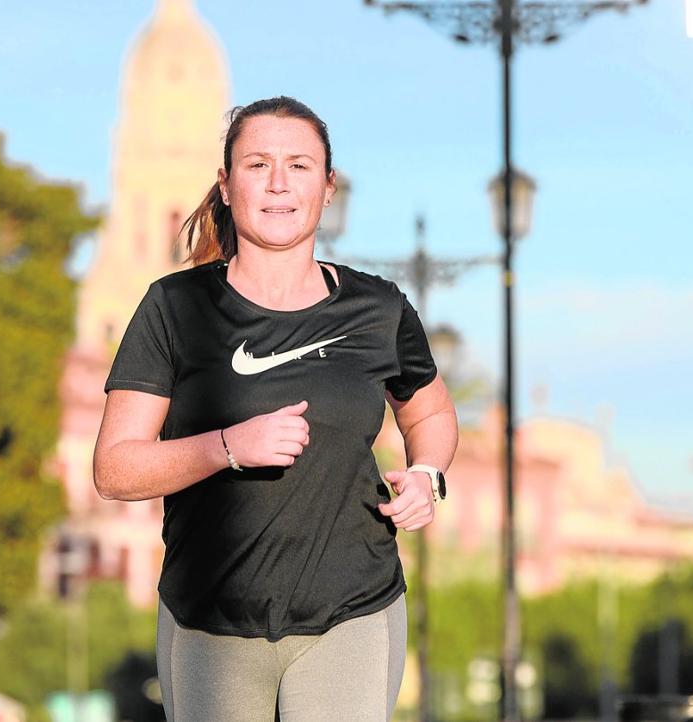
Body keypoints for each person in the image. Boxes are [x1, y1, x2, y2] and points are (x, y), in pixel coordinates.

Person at [92, 96, 458, 722]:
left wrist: (428, 474)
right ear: (227, 186)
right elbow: (115, 470)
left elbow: (430, 414)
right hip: (211, 620)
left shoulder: (379, 309)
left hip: (354, 608)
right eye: (257, 164)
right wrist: (227, 446)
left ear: (328, 187)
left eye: (300, 165)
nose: (279, 183)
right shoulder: (173, 308)